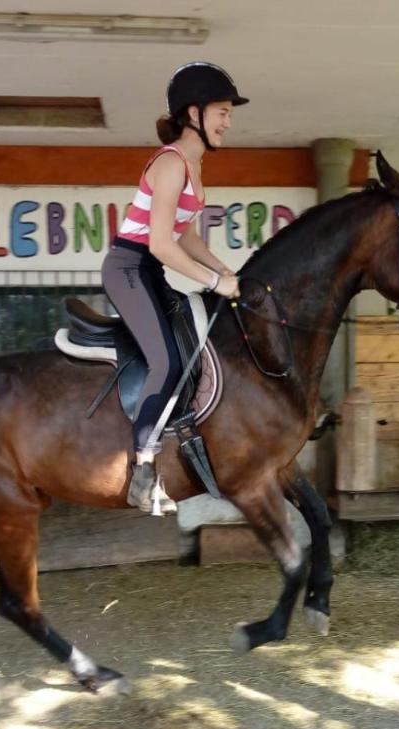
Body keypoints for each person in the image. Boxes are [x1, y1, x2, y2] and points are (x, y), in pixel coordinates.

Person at [101, 61, 246, 513]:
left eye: (228, 113)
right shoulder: (170, 163)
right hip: (129, 268)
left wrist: (228, 272)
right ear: (193, 113)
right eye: (222, 111)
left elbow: (184, 235)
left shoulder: (192, 167)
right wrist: (212, 281)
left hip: (149, 270)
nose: (227, 121)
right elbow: (161, 244)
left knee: (192, 343)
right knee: (165, 360)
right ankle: (142, 472)